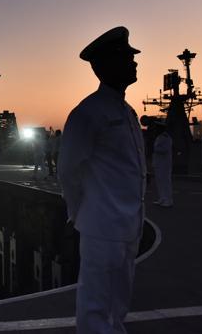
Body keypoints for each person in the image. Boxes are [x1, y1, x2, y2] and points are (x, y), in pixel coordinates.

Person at [58, 26, 145, 333]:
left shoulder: (127, 111)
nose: (135, 62)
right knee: (96, 306)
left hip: (128, 224)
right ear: (106, 65)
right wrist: (79, 213)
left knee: (119, 304)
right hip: (102, 225)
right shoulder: (88, 112)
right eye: (126, 57)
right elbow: (68, 170)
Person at [152, 122, 173, 207]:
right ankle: (162, 198)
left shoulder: (166, 138)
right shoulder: (159, 137)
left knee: (165, 182)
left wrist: (155, 149)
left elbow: (165, 149)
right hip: (159, 162)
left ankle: (167, 200)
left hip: (164, 163)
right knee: (159, 181)